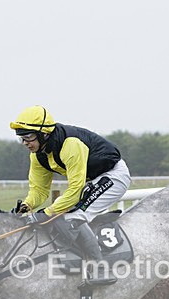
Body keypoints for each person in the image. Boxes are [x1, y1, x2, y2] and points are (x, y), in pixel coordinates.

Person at [9, 105, 131, 284]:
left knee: (71, 217)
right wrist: (27, 206)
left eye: (28, 137)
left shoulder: (70, 145)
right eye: (21, 138)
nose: (25, 143)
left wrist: (47, 213)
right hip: (92, 180)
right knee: (58, 211)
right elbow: (39, 191)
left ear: (44, 134)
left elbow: (75, 189)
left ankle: (101, 269)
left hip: (113, 176)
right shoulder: (37, 155)